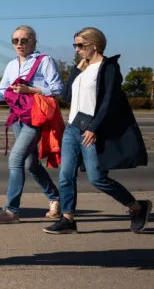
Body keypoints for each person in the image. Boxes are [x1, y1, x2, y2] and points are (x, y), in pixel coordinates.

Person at [48, 27, 150, 235]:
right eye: (75, 45)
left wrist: (93, 128)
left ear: (94, 45)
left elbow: (109, 102)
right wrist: (76, 69)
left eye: (81, 45)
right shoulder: (82, 68)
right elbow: (67, 95)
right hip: (72, 127)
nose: (77, 49)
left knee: (96, 178)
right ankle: (68, 219)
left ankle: (137, 207)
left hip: (91, 129)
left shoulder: (108, 67)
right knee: (66, 175)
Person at [0, 25, 63, 224]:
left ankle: (12, 211)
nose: (19, 44)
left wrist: (30, 89)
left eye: (24, 40)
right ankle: (55, 199)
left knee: (15, 159)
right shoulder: (12, 65)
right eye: (15, 40)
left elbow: (57, 88)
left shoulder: (44, 61)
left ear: (34, 42)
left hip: (36, 117)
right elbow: (5, 93)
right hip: (17, 116)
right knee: (30, 163)